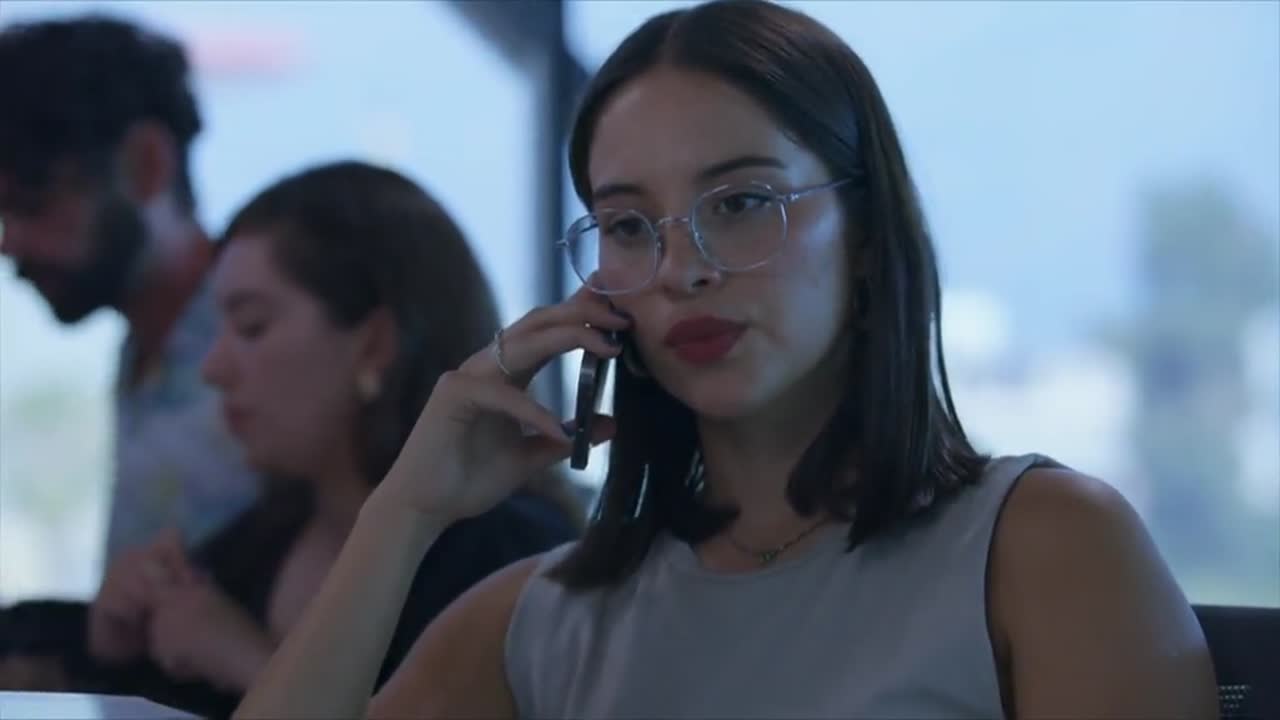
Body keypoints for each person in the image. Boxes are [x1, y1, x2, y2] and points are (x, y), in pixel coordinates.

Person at [234, 2, 1220, 718]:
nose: (682, 269)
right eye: (629, 225)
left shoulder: (1045, 549)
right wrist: (403, 514)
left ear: (865, 233)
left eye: (742, 203)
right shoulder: (540, 620)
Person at [0, 160, 581, 718]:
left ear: (374, 345)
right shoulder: (256, 543)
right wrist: (112, 648)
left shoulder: (512, 557)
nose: (213, 368)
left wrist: (247, 661)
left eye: (251, 326)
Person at [0, 16, 257, 561]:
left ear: (146, 164)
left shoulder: (269, 349)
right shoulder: (144, 347)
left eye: (31, 205)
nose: (9, 243)